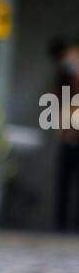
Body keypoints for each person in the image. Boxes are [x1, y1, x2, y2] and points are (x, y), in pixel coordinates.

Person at [49, 37, 79, 231]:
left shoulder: (71, 60)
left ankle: (67, 222)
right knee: (65, 177)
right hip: (70, 127)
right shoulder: (67, 68)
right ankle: (61, 222)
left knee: (68, 177)